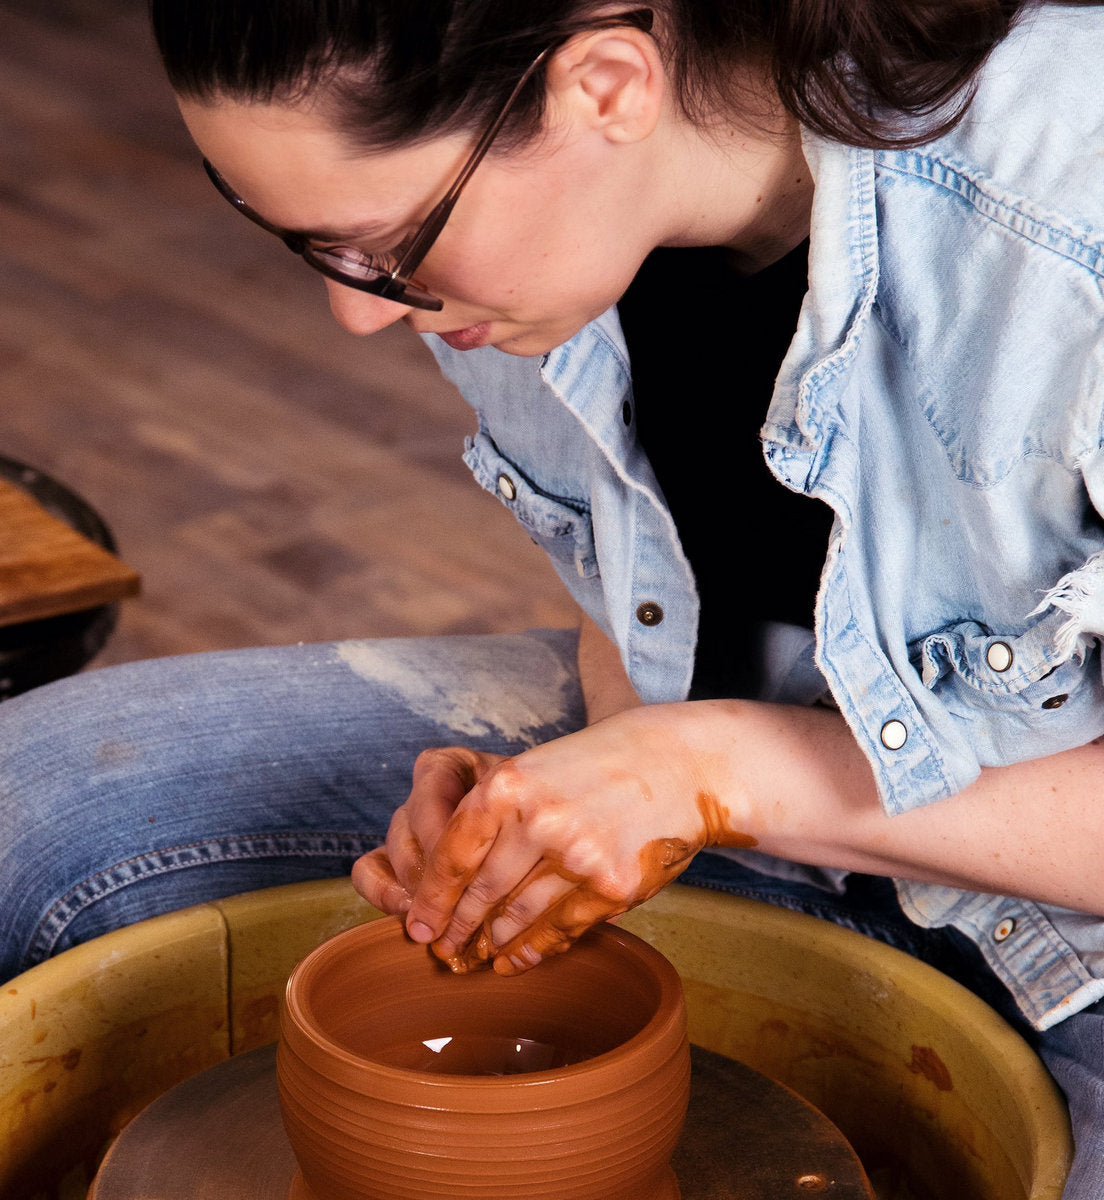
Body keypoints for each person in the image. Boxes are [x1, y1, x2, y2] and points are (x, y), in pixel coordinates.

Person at [3, 0, 1104, 1190]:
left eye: (380, 243)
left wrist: (710, 771)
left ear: (609, 86)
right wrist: (554, 815)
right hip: (787, 792)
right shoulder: (502, 259)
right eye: (303, 242)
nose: (363, 310)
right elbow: (639, 593)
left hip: (1068, 931)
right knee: (31, 802)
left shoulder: (1070, 219)